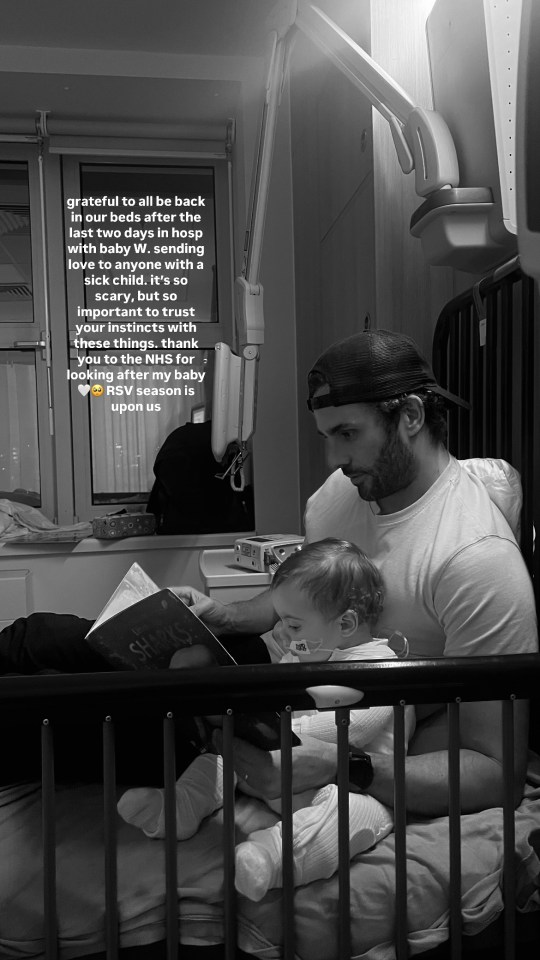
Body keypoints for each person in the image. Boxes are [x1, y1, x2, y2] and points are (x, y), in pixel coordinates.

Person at [176, 329, 538, 818]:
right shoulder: (338, 496)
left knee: (85, 718)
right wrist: (226, 616)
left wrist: (343, 765)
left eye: (348, 434)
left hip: (358, 731)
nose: (335, 459)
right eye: (328, 437)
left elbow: (499, 773)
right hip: (296, 689)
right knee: (87, 649)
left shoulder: (477, 560)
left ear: (410, 416)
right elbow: (302, 598)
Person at [117, 538, 415, 901]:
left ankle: (272, 857)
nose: (284, 635)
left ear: (347, 623)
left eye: (293, 626)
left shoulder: (377, 666)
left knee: (356, 815)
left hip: (342, 786)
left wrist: (281, 730)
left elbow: (351, 726)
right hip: (274, 771)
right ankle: (179, 808)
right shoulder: (306, 651)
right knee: (219, 759)